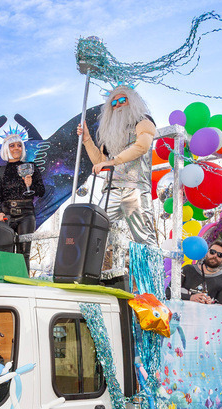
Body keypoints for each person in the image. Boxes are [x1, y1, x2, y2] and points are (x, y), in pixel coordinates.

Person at [78, 85, 157, 275]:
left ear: (133, 101)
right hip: (111, 189)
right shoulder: (110, 133)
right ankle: (87, 275)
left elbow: (142, 146)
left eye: (123, 100)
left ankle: (154, 287)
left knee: (144, 238)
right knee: (94, 228)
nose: (118, 105)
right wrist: (87, 139)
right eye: (114, 103)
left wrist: (114, 161)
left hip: (135, 188)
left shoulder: (143, 121)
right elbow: (100, 161)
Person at [0, 133, 45, 269]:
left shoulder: (30, 167)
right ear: (6, 149)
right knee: (5, 251)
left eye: (19, 145)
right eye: (12, 145)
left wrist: (31, 184)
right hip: (7, 214)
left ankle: (23, 285)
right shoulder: (0, 171)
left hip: (26, 214)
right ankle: (6, 283)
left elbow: (41, 191)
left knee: (23, 253)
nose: (16, 148)